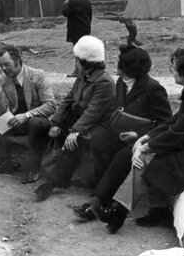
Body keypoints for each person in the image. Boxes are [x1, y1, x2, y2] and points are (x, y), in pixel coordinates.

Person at [98, 48, 184, 233]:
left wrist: (144, 147)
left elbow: (178, 133)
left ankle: (122, 211)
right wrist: (145, 138)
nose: (170, 70)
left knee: (148, 159)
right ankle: (152, 210)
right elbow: (174, 121)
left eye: (172, 67)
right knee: (150, 157)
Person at [71, 46, 172, 226]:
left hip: (141, 141)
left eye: (120, 62)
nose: (116, 65)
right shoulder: (120, 82)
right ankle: (105, 194)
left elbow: (165, 123)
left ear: (129, 67)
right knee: (99, 141)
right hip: (120, 133)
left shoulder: (154, 89)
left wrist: (138, 134)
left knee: (122, 156)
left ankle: (96, 201)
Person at [34, 36, 115, 202]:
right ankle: (54, 179)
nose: (76, 62)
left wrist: (75, 131)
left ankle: (56, 182)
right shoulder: (83, 76)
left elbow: (94, 111)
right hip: (84, 122)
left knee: (76, 142)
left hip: (101, 125)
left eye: (77, 59)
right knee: (59, 134)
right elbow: (68, 99)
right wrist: (56, 122)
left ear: (85, 61)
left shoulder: (104, 81)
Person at [0, 45, 56, 183]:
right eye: (1, 65)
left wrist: (27, 115)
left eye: (7, 64)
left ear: (17, 60)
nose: (4, 69)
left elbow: (50, 105)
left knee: (35, 123)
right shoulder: (5, 79)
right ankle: (6, 163)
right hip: (17, 122)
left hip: (37, 122)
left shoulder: (38, 76)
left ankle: (34, 169)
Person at [62, 0, 92, 77]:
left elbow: (66, 13)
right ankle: (81, 70)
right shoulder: (86, 0)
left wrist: (65, 5)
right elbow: (90, 14)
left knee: (77, 50)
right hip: (86, 28)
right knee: (84, 50)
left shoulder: (72, 1)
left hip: (75, 29)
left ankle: (79, 71)